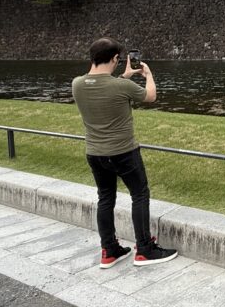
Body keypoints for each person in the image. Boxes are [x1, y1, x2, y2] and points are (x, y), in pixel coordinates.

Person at [71, 37, 177, 268]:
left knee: (105, 198)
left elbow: (103, 87)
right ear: (114, 59)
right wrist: (148, 76)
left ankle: (109, 250)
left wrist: (124, 76)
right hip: (123, 152)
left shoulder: (77, 83)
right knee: (139, 195)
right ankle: (145, 249)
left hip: (95, 153)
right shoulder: (121, 87)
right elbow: (150, 96)